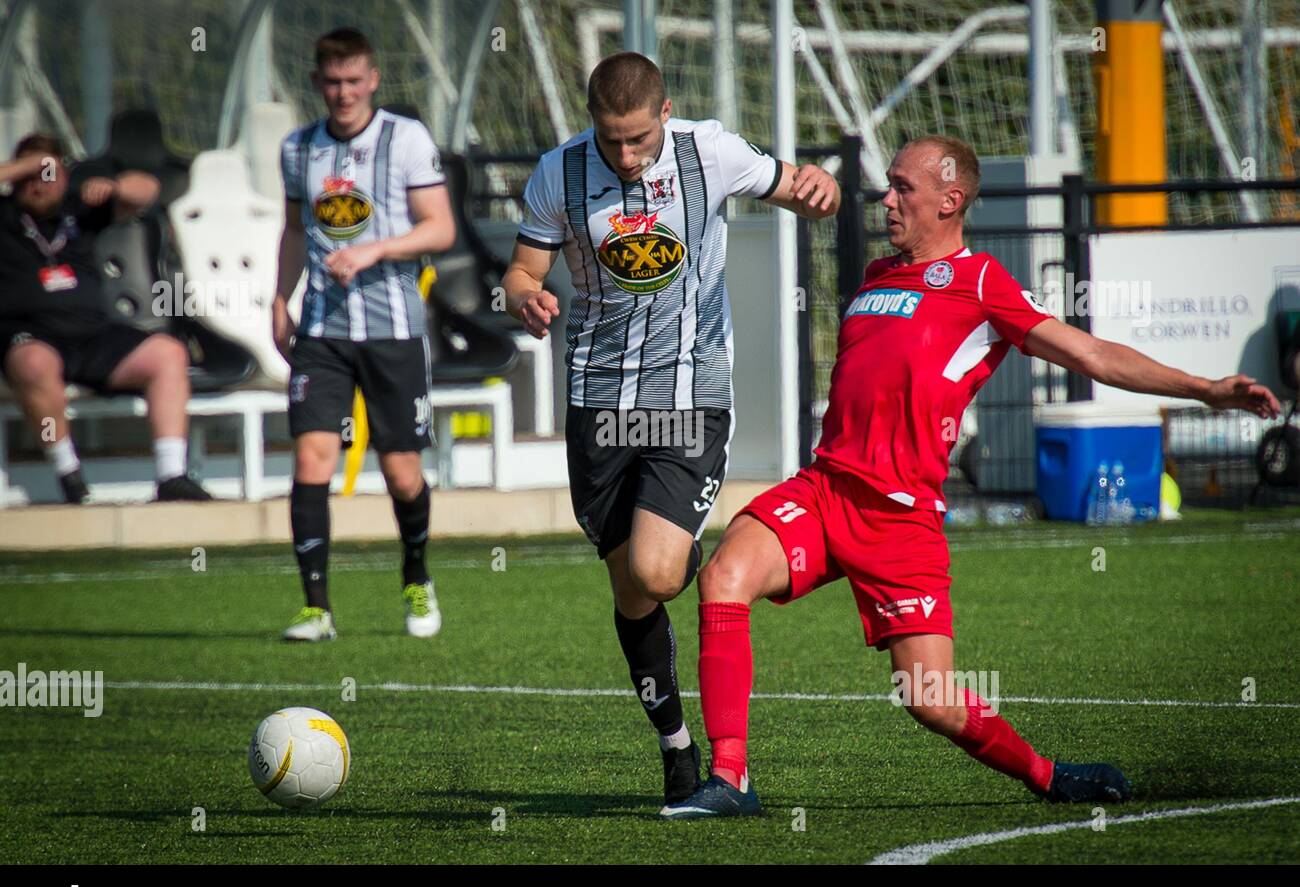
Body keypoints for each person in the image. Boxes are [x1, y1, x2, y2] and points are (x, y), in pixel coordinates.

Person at [663, 134, 1282, 818]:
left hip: (902, 521)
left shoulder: (982, 281)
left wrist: (1203, 388)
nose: (886, 199)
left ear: (950, 199)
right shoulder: (875, 274)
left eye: (903, 187)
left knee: (930, 699)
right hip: (826, 490)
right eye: (888, 185)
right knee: (724, 578)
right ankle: (730, 776)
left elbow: (1092, 354)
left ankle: (1049, 775)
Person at [502, 51, 840, 804]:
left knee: (657, 571)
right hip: (596, 402)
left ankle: (686, 548)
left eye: (636, 139)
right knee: (632, 591)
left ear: (664, 113)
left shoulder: (708, 150)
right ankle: (677, 750)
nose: (623, 155)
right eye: (609, 138)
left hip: (691, 395)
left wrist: (821, 188)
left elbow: (798, 183)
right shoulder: (558, 172)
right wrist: (523, 297)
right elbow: (521, 270)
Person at [273, 27, 456, 642]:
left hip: (393, 331)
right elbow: (295, 232)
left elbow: (440, 229)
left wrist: (374, 251)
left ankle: (416, 575)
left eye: (354, 80)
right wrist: (279, 298)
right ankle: (315, 608)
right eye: (332, 81)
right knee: (311, 459)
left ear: (373, 80)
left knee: (402, 472)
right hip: (323, 332)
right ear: (317, 83)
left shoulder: (405, 140)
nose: (344, 92)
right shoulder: (298, 148)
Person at [0, 133, 211, 503]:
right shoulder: (5, 215)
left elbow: (147, 190)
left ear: (64, 175)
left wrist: (112, 186)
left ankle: (172, 474)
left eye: (48, 172)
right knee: (33, 363)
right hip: (31, 337)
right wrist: (30, 165)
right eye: (30, 174)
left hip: (93, 336)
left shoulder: (79, 210)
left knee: (168, 353)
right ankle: (68, 473)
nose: (38, 182)